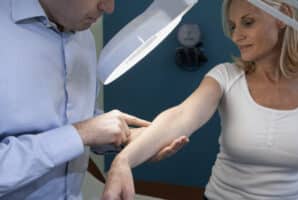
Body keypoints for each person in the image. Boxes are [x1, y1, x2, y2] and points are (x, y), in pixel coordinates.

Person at [102, 0, 298, 199]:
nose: (236, 36)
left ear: (282, 16)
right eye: (232, 26)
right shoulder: (226, 76)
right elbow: (181, 116)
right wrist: (123, 160)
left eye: (248, 22)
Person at [0, 0, 188, 199]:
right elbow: (79, 131)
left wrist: (123, 138)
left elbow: (78, 118)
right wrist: (80, 134)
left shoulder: (83, 37)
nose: (109, 7)